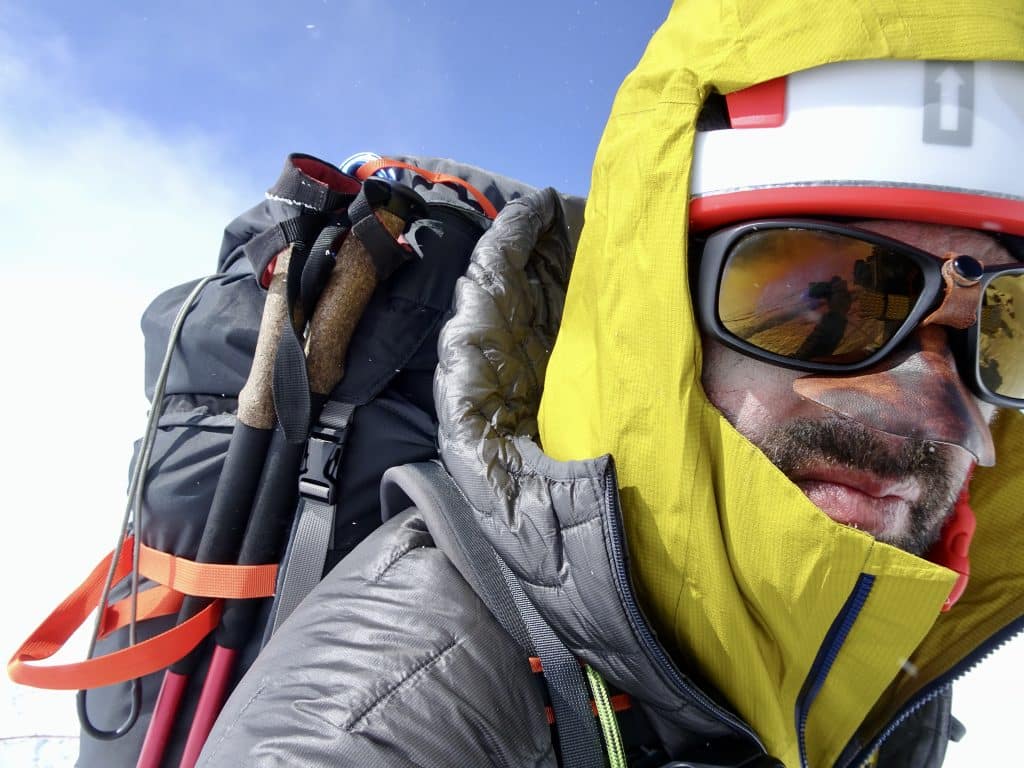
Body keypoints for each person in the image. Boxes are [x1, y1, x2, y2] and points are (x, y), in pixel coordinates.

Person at [197, 1, 1024, 765]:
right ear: (653, 312)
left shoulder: (891, 649)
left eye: (1003, 325)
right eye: (820, 298)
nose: (929, 415)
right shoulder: (386, 719)